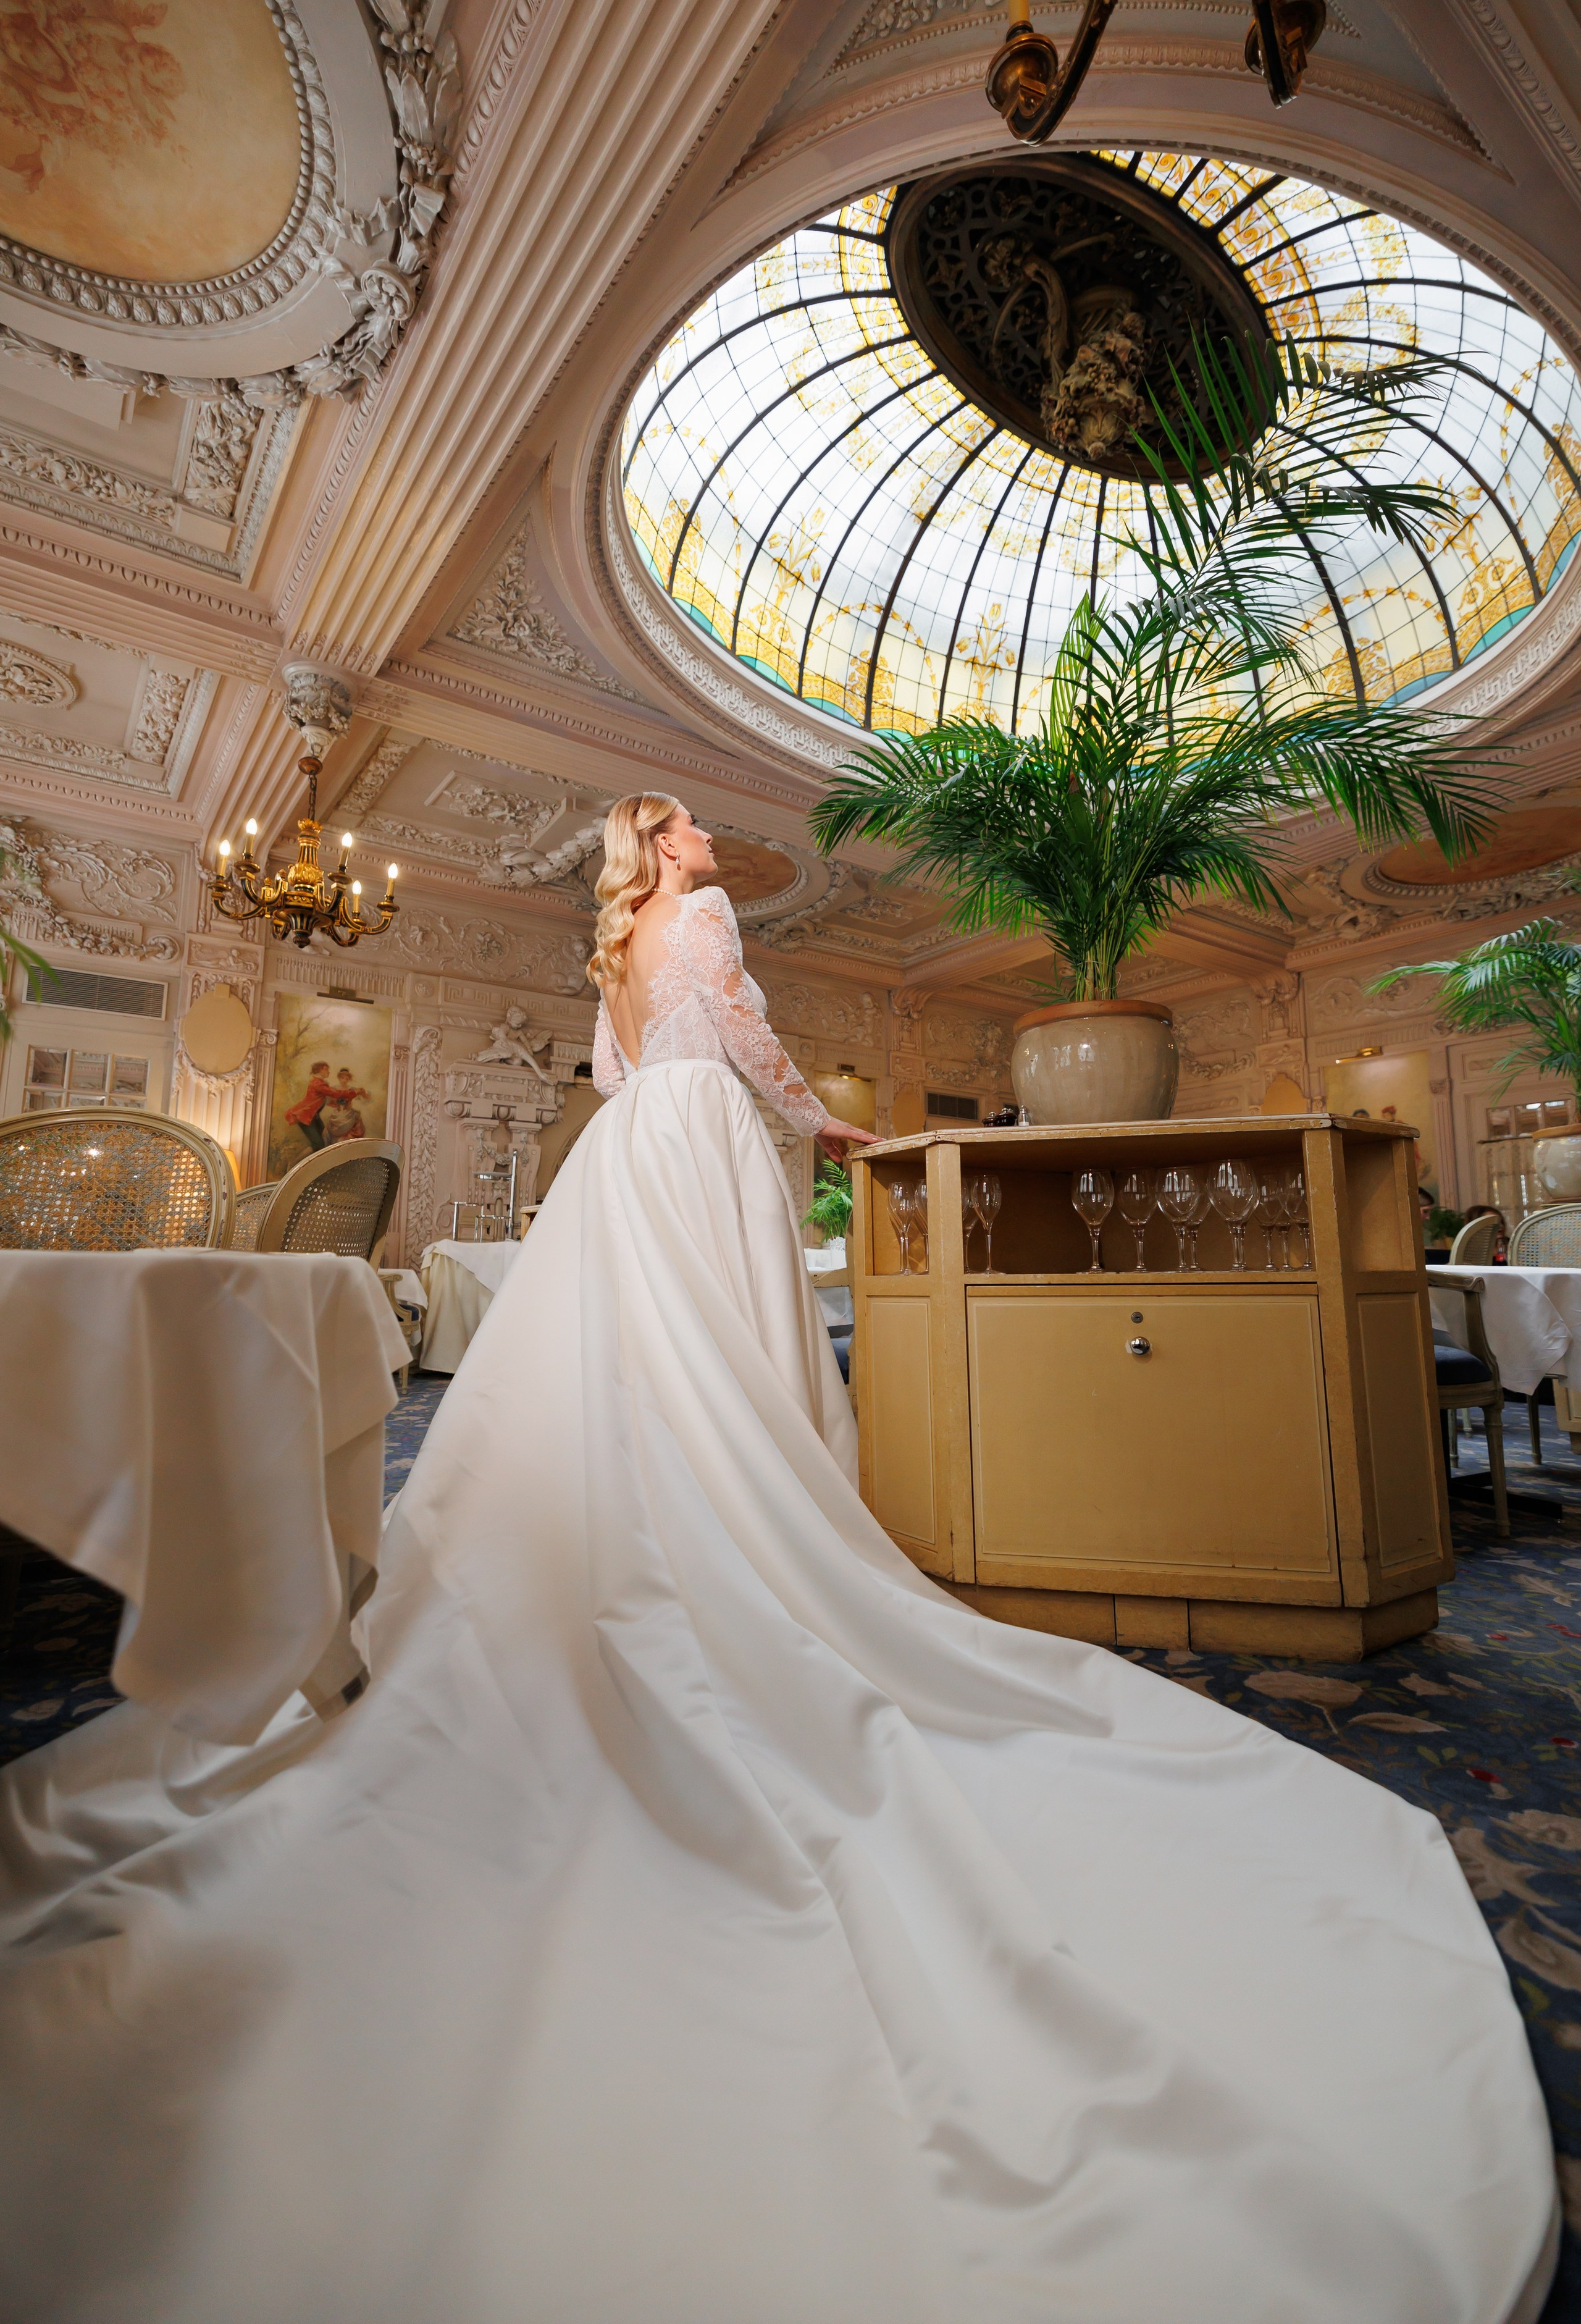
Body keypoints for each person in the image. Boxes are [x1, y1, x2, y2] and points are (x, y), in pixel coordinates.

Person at [0, 794, 1556, 2324]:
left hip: (626, 1157)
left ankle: (633, 1537)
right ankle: (728, 1541)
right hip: (699, 1147)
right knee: (729, 1367)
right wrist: (822, 1124)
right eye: (685, 829)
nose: (704, 846)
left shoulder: (609, 948)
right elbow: (740, 1032)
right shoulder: (704, 915)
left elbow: (619, 1070)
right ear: (660, 847)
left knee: (621, 1377)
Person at [284, 1056, 335, 1151]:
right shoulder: (317, 1084)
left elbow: (326, 1099)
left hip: (314, 1117)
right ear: (320, 1070)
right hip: (306, 1116)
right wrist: (354, 1093)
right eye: (327, 1070)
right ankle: (299, 1160)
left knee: (326, 1141)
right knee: (319, 1145)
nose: (329, 1072)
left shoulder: (321, 1083)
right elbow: (335, 1093)